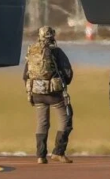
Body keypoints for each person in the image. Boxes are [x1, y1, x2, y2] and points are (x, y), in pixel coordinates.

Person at [23, 26, 74, 164]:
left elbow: (25, 75)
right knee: (66, 119)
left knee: (42, 123)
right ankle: (58, 152)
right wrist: (62, 83)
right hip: (54, 94)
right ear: (52, 36)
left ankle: (41, 156)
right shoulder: (56, 52)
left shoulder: (32, 51)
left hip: (36, 94)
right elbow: (68, 72)